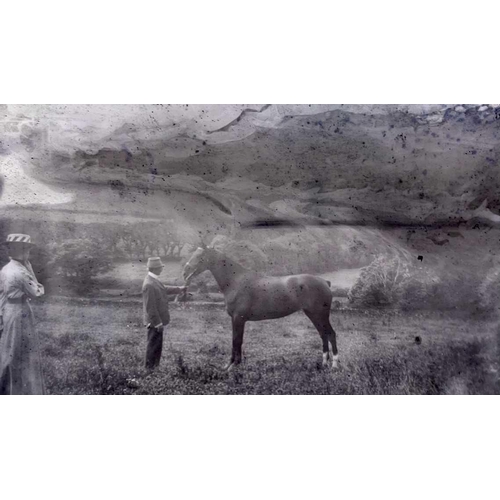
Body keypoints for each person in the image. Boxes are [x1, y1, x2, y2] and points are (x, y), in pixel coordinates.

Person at [0, 234, 45, 395]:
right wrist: (31, 271)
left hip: (8, 312)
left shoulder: (5, 269)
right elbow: (37, 292)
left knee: (8, 351)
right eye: (27, 249)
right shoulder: (21, 272)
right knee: (23, 354)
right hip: (20, 313)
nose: (29, 252)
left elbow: (1, 295)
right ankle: (22, 392)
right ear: (23, 251)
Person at [142, 257, 187, 370]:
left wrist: (179, 289)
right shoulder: (149, 284)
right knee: (152, 346)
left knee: (157, 345)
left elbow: (163, 289)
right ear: (155, 269)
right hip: (154, 322)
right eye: (160, 267)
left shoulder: (154, 280)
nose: (162, 269)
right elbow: (150, 307)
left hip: (157, 321)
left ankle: (154, 368)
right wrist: (157, 323)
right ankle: (149, 370)